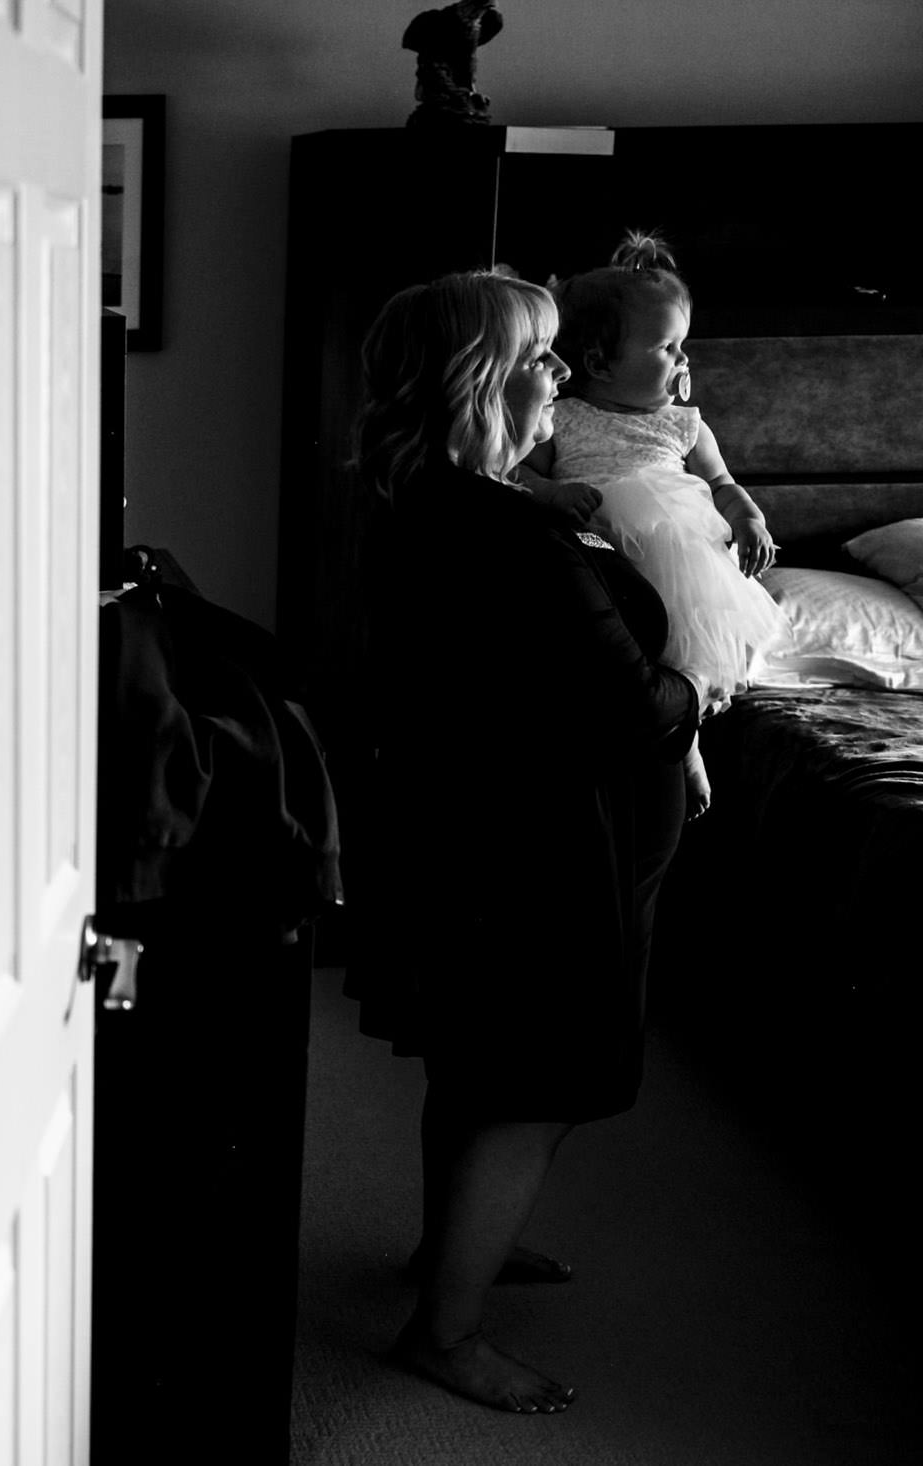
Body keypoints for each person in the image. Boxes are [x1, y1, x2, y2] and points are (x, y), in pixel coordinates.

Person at [345, 270, 700, 1415]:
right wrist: (705, 678)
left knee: (474, 1057)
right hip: (536, 845)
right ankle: (445, 1331)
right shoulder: (507, 536)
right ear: (480, 380)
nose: (561, 374)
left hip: (470, 824)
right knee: (531, 1084)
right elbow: (635, 707)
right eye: (542, 356)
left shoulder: (429, 496)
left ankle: (451, 1248)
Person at [521, 230, 789, 818]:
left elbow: (722, 485)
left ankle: (686, 745)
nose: (684, 361)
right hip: (601, 550)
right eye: (668, 347)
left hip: (674, 550)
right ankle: (681, 744)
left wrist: (747, 517)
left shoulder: (685, 425)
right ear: (598, 362)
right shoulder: (561, 418)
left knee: (677, 650)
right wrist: (554, 492)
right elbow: (523, 477)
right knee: (630, 656)